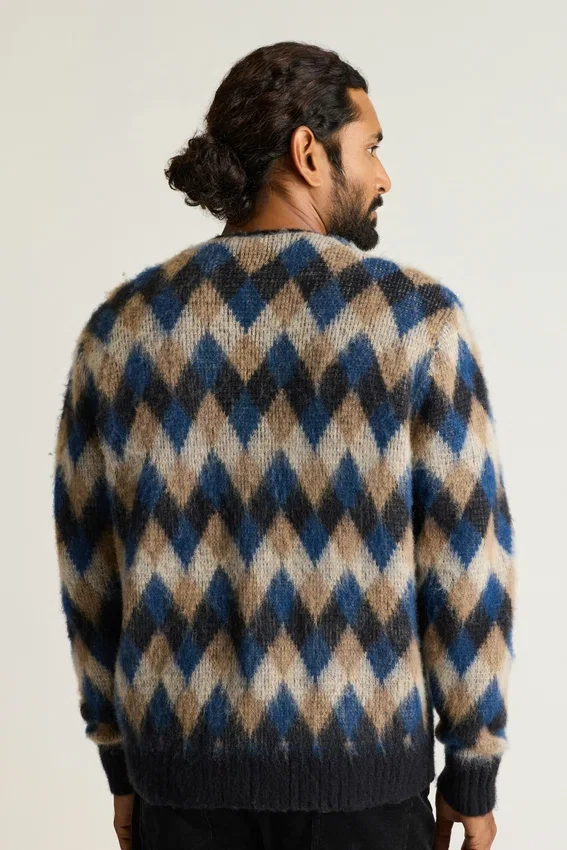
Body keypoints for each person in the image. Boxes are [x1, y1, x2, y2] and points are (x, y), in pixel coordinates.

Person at [52, 40, 516, 850]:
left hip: (181, 791)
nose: (382, 176)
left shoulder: (122, 328)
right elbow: (464, 562)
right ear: (309, 151)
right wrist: (471, 766)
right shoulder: (415, 320)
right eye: (369, 147)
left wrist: (119, 764)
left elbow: (89, 572)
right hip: (363, 791)